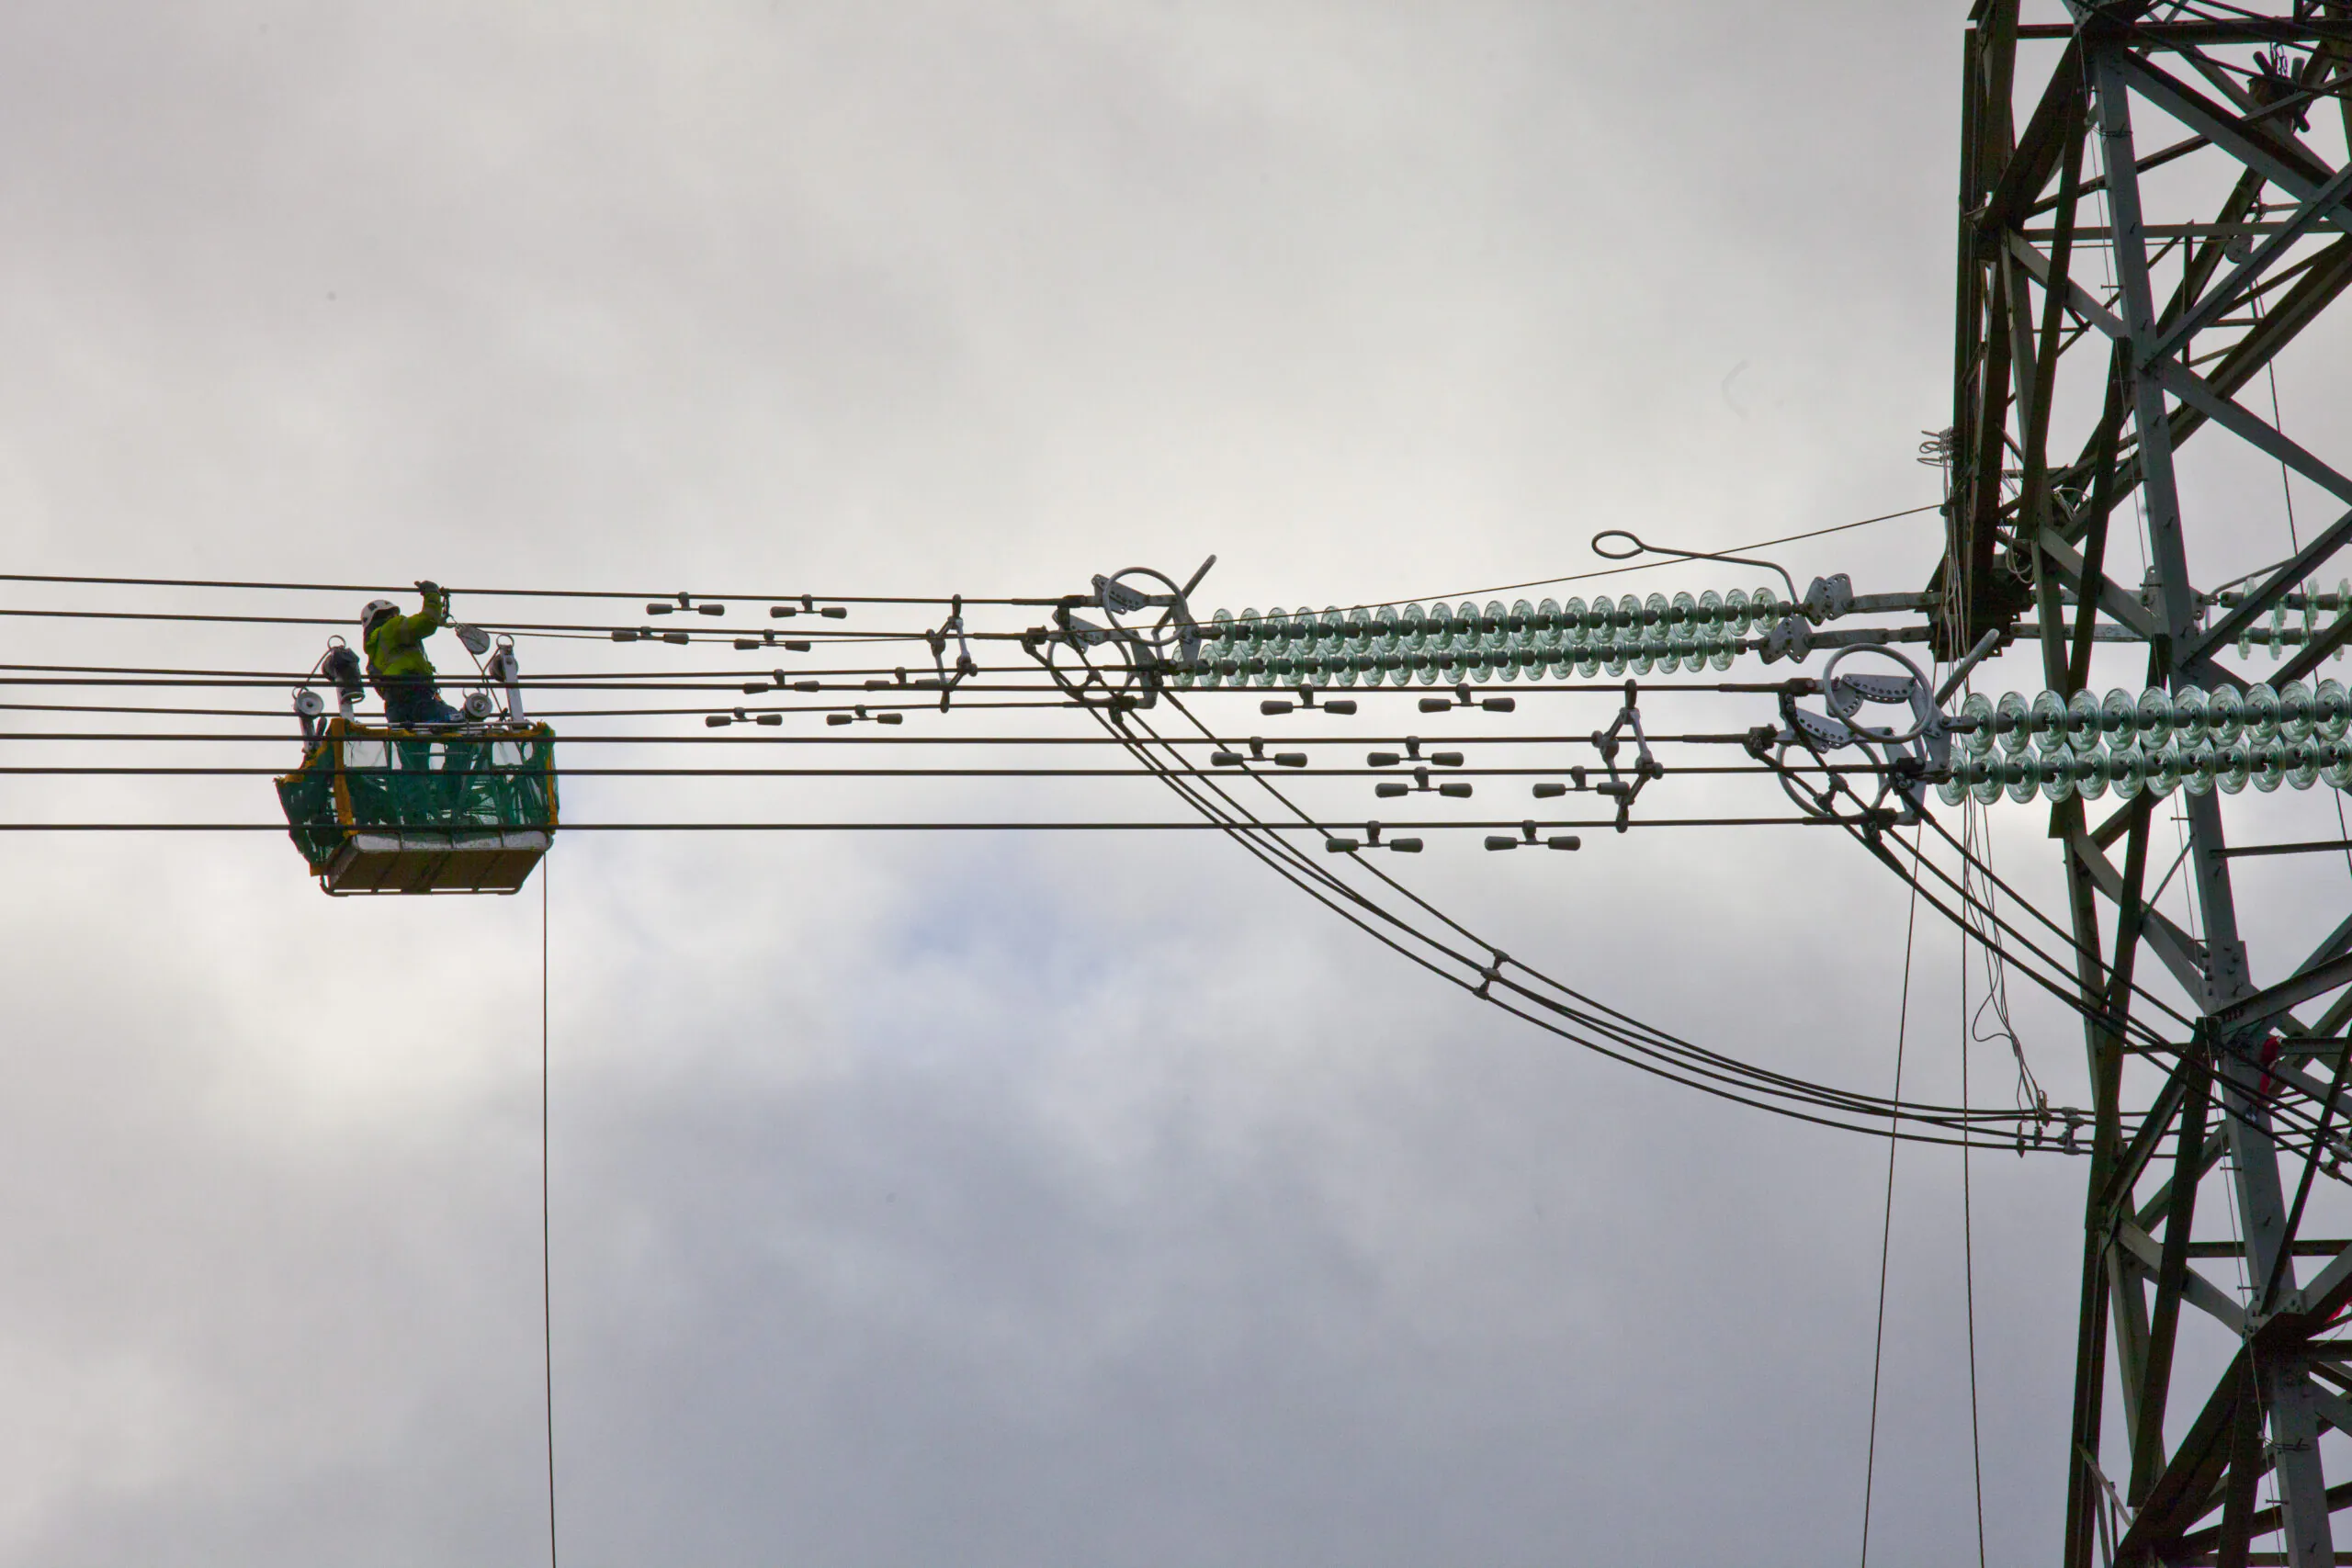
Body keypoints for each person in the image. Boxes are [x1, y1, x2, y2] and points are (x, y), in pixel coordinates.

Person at [361, 581, 467, 728]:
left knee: (412, 747)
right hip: (417, 697)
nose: (398, 617)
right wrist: (432, 594)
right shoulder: (392, 627)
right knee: (459, 724)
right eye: (394, 614)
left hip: (395, 709)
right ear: (387, 615)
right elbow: (427, 621)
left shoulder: (374, 656)